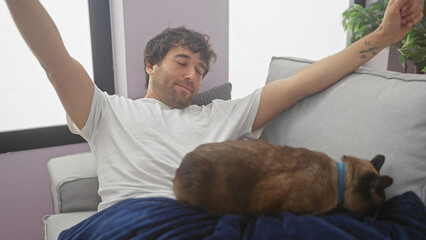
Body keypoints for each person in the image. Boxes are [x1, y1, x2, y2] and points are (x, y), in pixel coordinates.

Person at [5, 0, 424, 212]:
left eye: (200, 69)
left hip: (205, 220)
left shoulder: (223, 115)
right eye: (182, 62)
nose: (192, 75)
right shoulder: (106, 112)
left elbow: (302, 84)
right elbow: (54, 58)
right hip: (134, 219)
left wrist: (385, 37)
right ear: (150, 64)